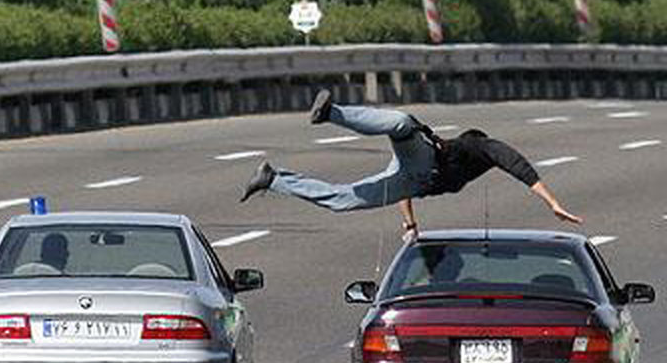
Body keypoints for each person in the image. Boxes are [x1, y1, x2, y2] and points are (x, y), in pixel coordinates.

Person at [240, 89, 582, 238]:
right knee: (402, 124)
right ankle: (332, 112)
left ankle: (273, 179)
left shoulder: (464, 162)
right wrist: (553, 203)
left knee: (343, 200)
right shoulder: (477, 146)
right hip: (425, 157)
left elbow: (403, 187)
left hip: (412, 181)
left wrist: (410, 226)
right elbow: (514, 161)